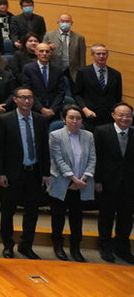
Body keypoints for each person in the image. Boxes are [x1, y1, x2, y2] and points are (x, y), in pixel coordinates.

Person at [0, 86, 50, 259]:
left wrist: (46, 173)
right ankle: (8, 245)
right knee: (8, 211)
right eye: (23, 97)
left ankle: (26, 246)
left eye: (30, 97)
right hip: (12, 173)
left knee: (32, 212)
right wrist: (0, 173)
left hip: (34, 172)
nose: (27, 101)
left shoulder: (41, 120)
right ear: (15, 100)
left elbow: (44, 149)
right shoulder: (5, 119)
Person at [47, 104, 95, 262]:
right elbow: (58, 160)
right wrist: (73, 179)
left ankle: (75, 248)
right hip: (62, 182)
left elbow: (92, 159)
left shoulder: (88, 136)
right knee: (58, 216)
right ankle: (58, 246)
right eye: (71, 118)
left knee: (77, 217)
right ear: (64, 119)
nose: (75, 121)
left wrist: (83, 179)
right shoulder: (56, 135)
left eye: (78, 118)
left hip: (82, 183)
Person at [94, 102, 134, 263]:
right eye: (121, 115)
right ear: (113, 115)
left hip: (130, 184)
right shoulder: (102, 131)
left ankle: (122, 248)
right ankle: (105, 247)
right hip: (107, 182)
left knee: (126, 218)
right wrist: (97, 180)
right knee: (106, 216)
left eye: (128, 115)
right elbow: (97, 157)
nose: (125, 118)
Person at [74, 44, 123, 130]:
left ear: (107, 55)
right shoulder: (83, 72)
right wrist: (85, 109)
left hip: (108, 117)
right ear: (92, 55)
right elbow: (77, 94)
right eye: (98, 54)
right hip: (90, 116)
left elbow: (118, 97)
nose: (101, 56)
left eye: (104, 54)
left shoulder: (116, 74)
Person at [20, 42, 68, 120]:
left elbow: (61, 92)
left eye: (47, 51)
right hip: (35, 110)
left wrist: (52, 109)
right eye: (41, 51)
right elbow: (28, 91)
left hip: (53, 112)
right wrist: (41, 108)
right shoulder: (28, 69)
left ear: (50, 53)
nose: (44, 54)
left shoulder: (57, 70)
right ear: (36, 52)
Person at [42, 14, 86, 83]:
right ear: (58, 22)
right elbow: (41, 52)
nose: (65, 23)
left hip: (72, 72)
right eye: (62, 21)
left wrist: (82, 74)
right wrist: (48, 47)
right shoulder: (49, 35)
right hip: (54, 71)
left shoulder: (79, 38)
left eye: (67, 21)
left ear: (71, 23)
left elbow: (82, 58)